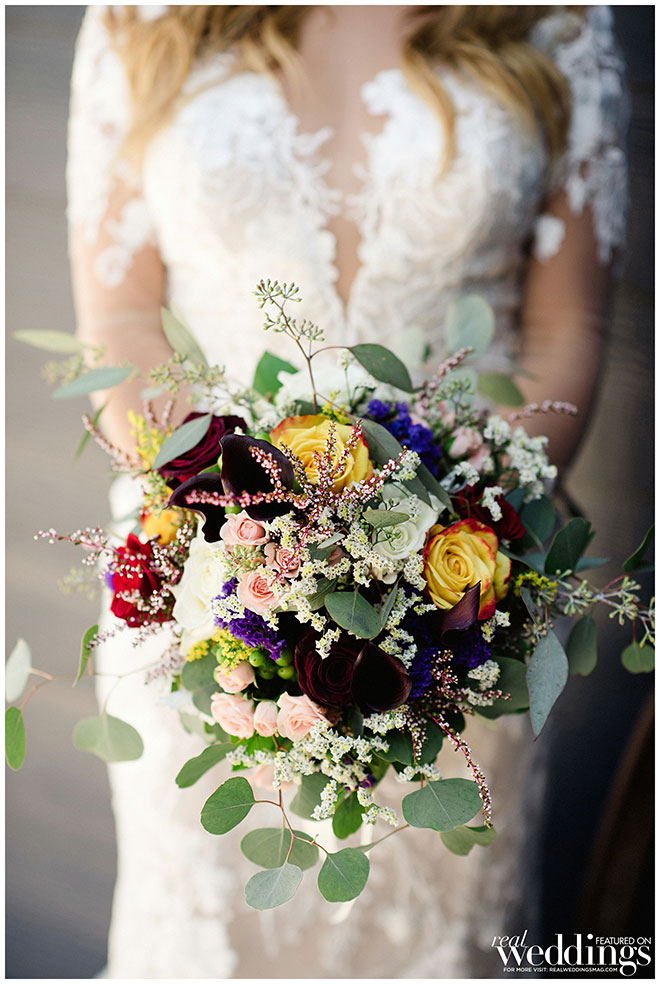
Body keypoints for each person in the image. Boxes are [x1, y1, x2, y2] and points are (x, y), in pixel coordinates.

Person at [66, 5, 628, 977]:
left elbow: (563, 333)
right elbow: (119, 319)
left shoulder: (561, 19)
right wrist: (249, 539)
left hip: (463, 624)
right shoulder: (142, 17)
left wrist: (437, 552)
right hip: (207, 600)